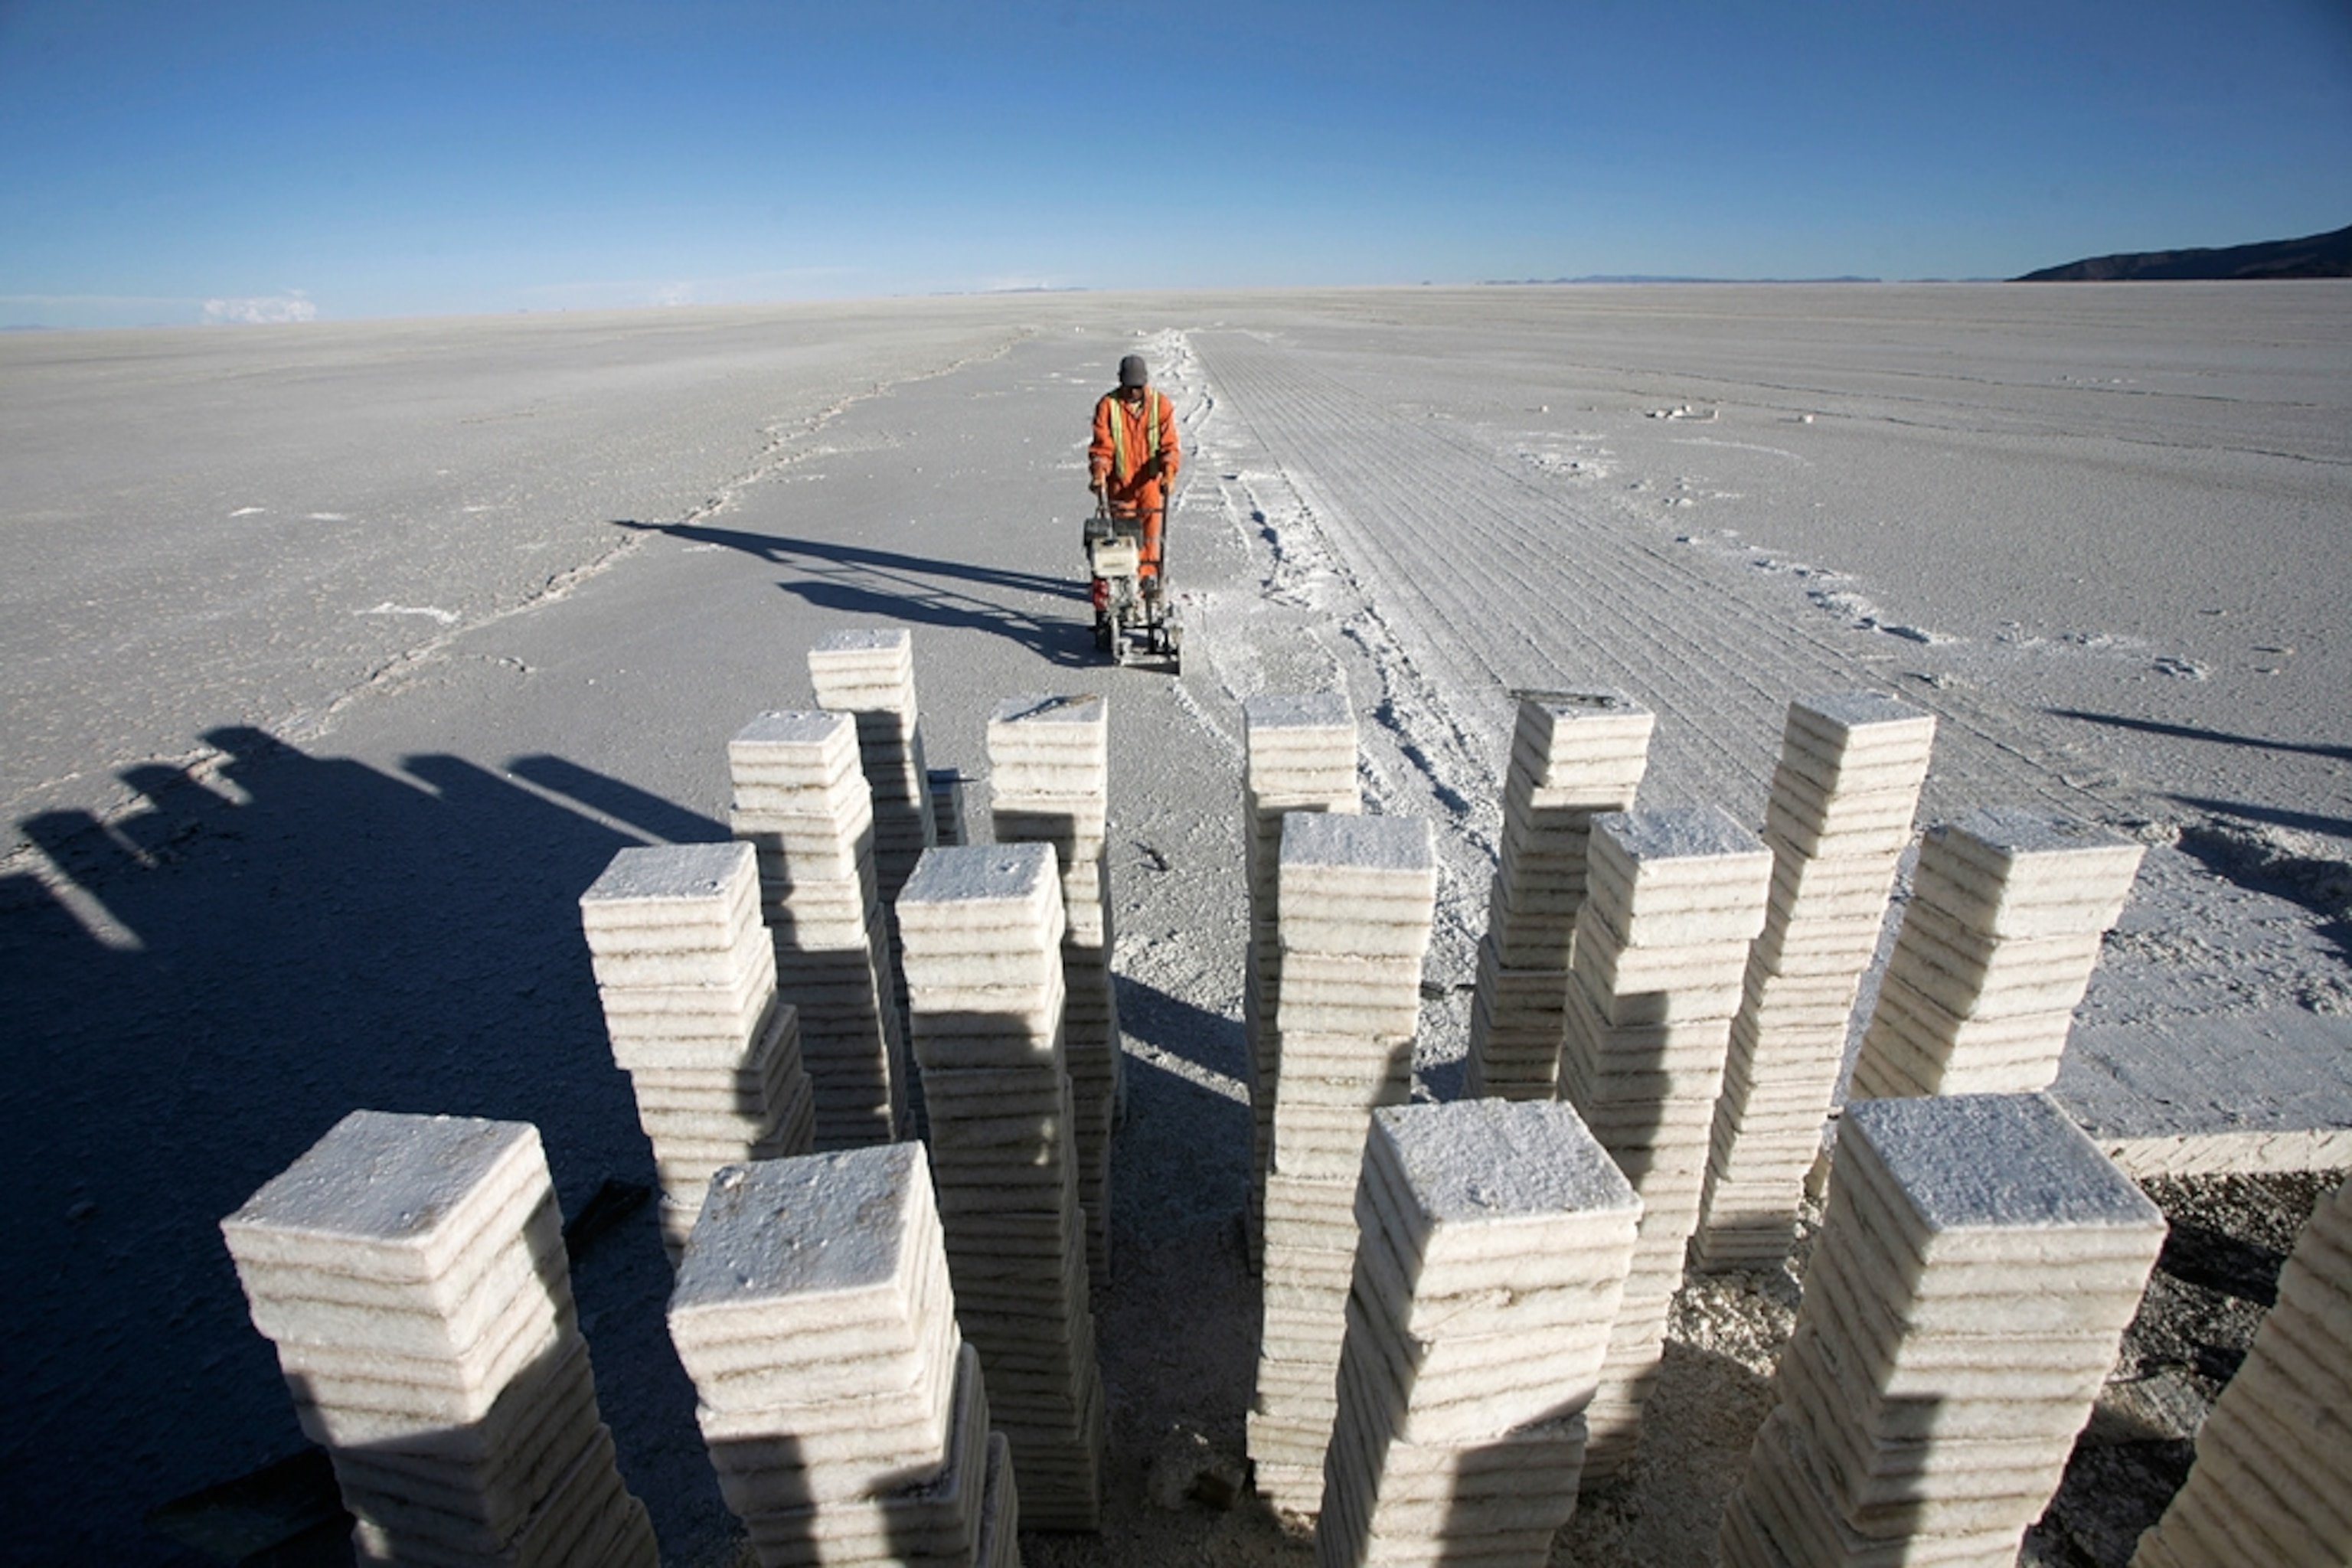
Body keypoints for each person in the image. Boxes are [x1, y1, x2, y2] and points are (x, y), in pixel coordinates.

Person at [1088, 353, 1179, 595]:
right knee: (1126, 535)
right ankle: (1127, 580)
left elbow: (1169, 446)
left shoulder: (1161, 405)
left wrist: (1168, 473)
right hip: (1121, 484)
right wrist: (1099, 473)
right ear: (1120, 382)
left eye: (1138, 388)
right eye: (1129, 387)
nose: (1133, 393)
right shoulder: (1108, 406)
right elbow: (1102, 447)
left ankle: (1148, 578)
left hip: (1149, 484)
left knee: (1150, 536)